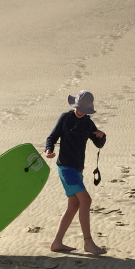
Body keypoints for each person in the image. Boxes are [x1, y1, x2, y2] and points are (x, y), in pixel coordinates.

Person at [44, 90, 107, 255]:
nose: (80, 111)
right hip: (65, 167)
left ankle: (57, 243)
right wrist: (49, 150)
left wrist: (101, 136)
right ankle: (88, 242)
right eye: (78, 108)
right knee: (86, 200)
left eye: (83, 110)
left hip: (78, 169)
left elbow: (98, 143)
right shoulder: (65, 118)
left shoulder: (88, 123)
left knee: (74, 205)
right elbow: (52, 137)